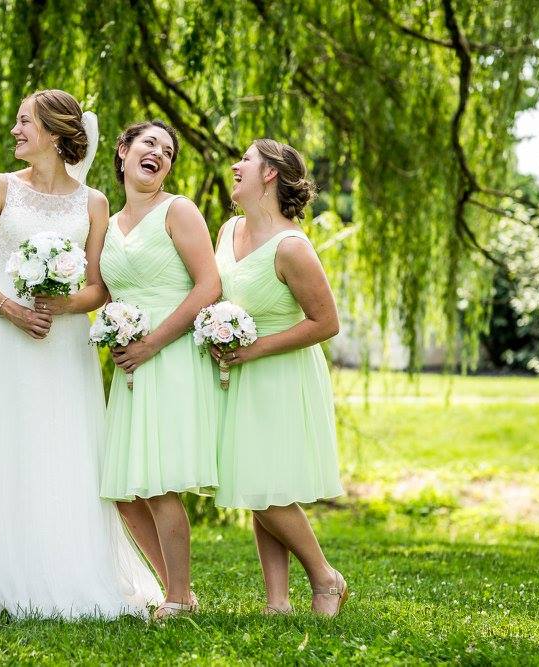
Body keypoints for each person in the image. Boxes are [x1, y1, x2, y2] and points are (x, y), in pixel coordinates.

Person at [0, 90, 162, 618]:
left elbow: (99, 288)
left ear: (52, 131)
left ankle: (65, 568)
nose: (15, 130)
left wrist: (62, 305)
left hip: (63, 343)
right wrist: (11, 310)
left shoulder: (93, 202)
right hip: (2, 338)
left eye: (24, 121)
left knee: (62, 444)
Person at [210, 139, 348, 617]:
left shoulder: (291, 247)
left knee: (264, 485)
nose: (236, 166)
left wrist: (253, 349)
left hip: (279, 373)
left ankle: (325, 578)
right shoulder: (228, 230)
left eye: (246, 160)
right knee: (257, 485)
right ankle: (277, 602)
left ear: (269, 173)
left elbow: (326, 322)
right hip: (238, 373)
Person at [98, 120, 221, 620]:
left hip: (169, 355)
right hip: (130, 363)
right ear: (123, 151)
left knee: (158, 480)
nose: (159, 154)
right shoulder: (107, 224)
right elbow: (102, 291)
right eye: (150, 143)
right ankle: (177, 590)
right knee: (124, 492)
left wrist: (153, 343)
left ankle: (178, 596)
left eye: (168, 151)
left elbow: (208, 285)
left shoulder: (178, 211)